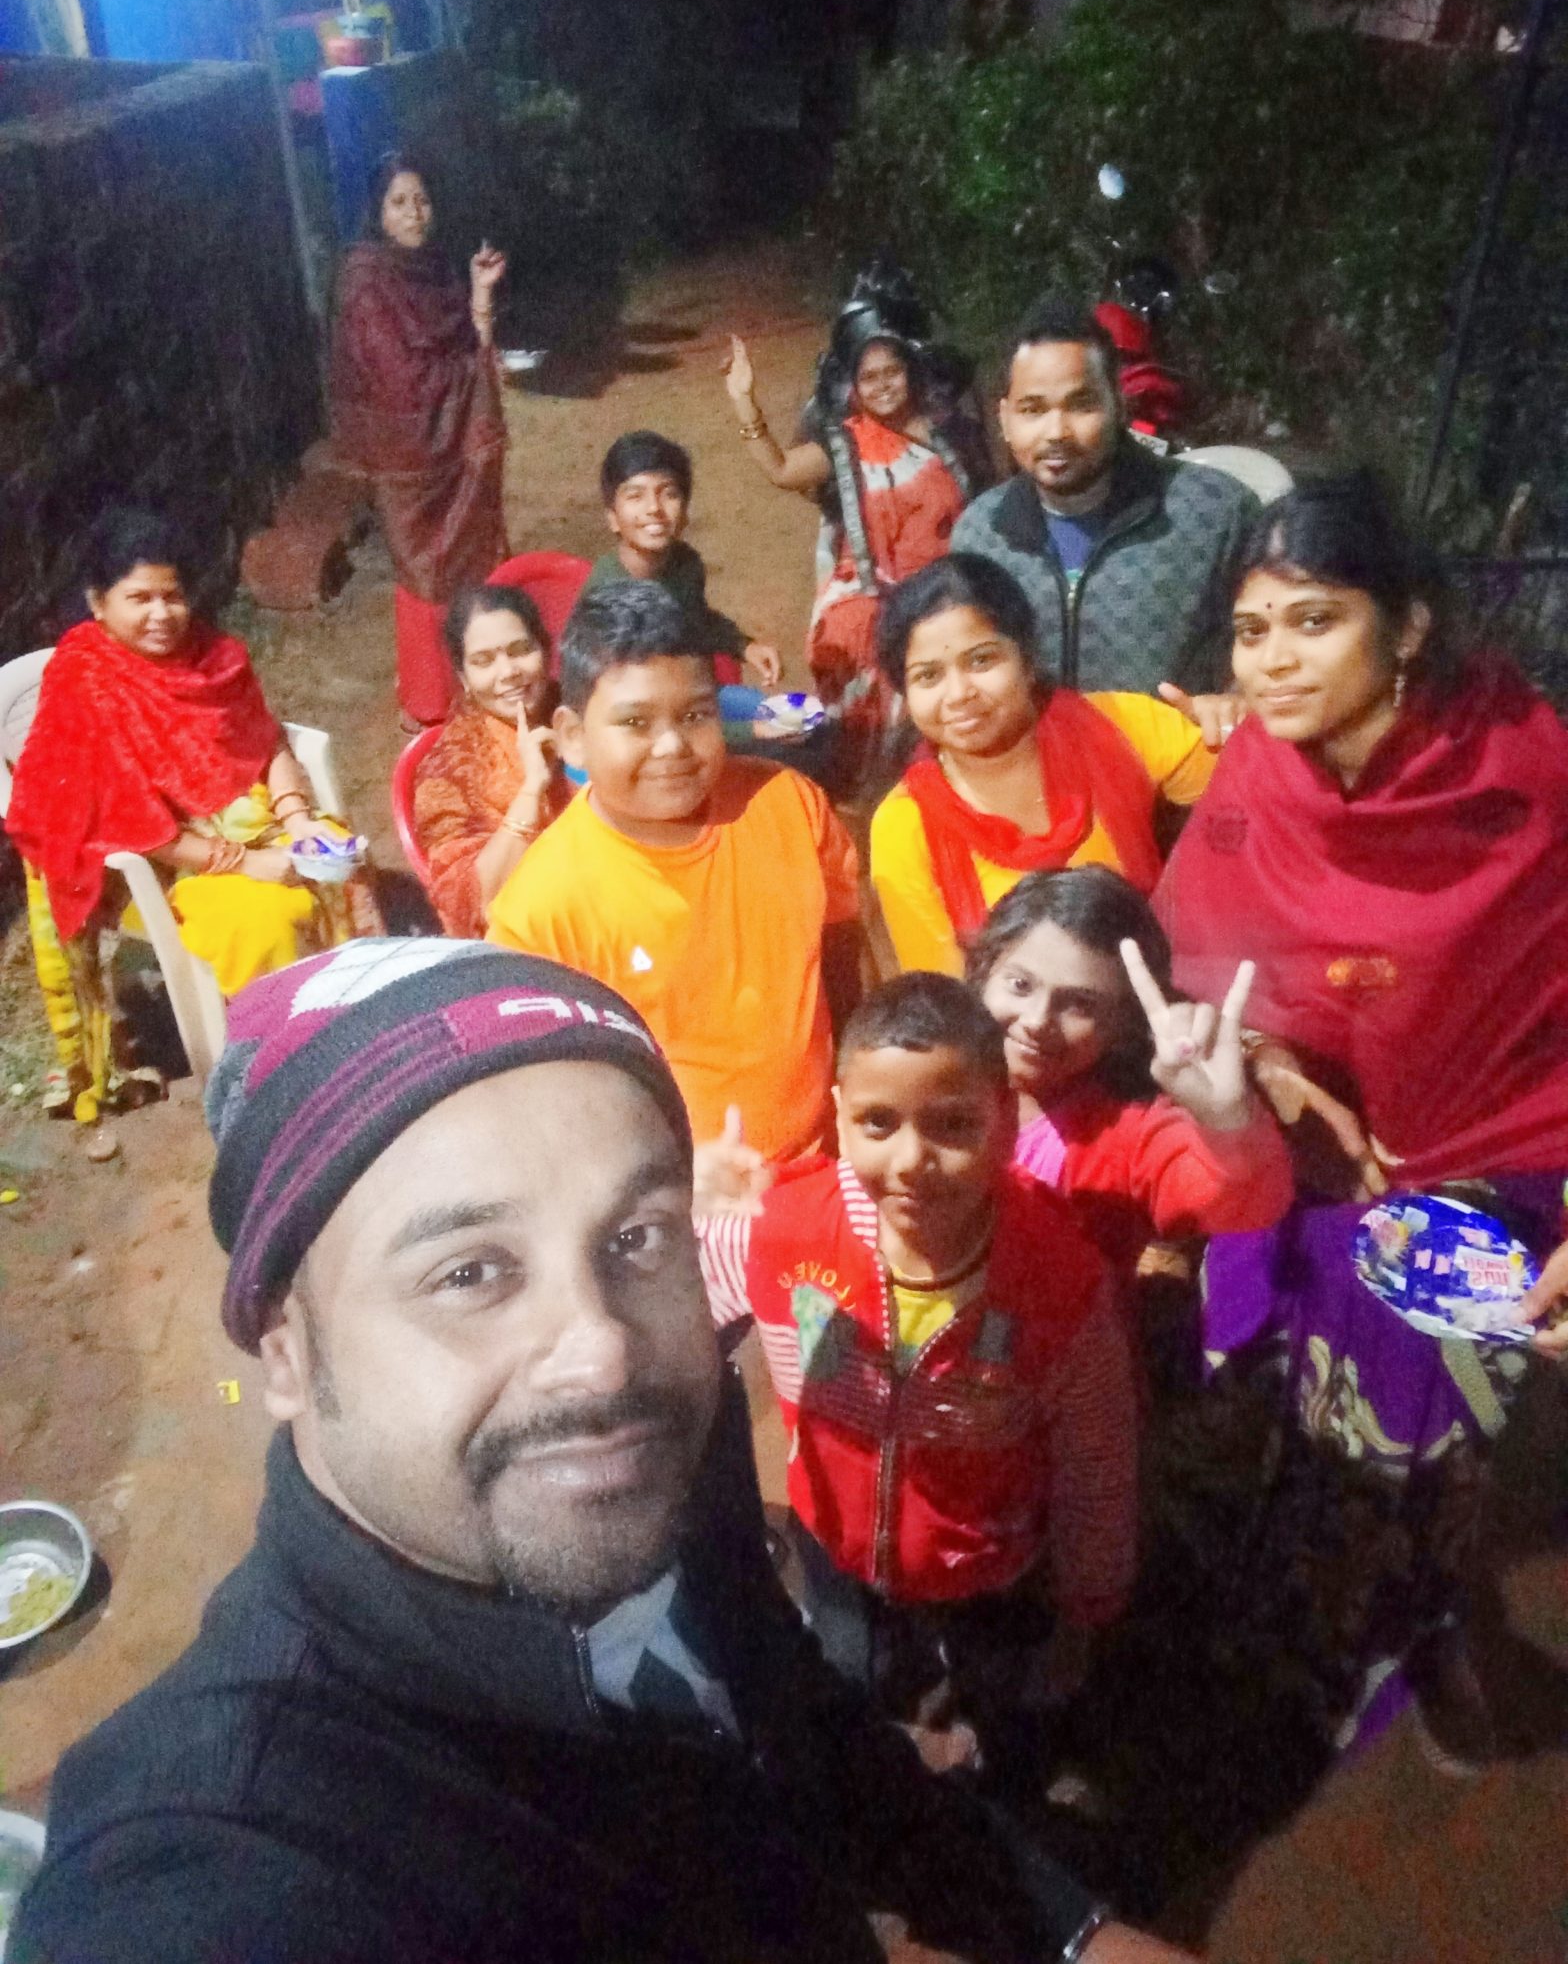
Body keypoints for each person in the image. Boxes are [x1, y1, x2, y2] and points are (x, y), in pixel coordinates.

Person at [13, 938, 1194, 1964]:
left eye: (637, 1239)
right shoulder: (234, 1840)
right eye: (469, 1271)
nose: (605, 1354)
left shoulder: (669, 1457)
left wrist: (1065, 1930)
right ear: (282, 1349)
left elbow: (788, 1709)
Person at [1156, 473, 1568, 1767]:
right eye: (1250, 630)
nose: (1272, 661)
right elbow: (1201, 968)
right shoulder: (1256, 779)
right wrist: (1276, 1073)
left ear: (1407, 628)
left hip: (1508, 1156)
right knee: (1262, 1367)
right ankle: (1324, 1623)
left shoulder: (1525, 777)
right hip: (1320, 1157)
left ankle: (1423, 1632)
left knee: (1422, 1422)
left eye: (1313, 621)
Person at [696, 972, 1137, 1800]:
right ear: (838, 1115)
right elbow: (675, 1291)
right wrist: (677, 1195)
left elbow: (1097, 1459)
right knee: (855, 1695)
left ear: (1005, 1118)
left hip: (989, 1570)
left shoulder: (1058, 1281)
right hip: (834, 1545)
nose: (911, 1163)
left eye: (952, 1124)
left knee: (1000, 1713)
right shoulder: (783, 1231)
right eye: (878, 1122)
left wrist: (1086, 1608)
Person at [4, 510, 379, 1136]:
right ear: (98, 604)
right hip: (158, 863)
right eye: (139, 599)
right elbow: (126, 820)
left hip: (240, 823)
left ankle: (358, 1027)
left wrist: (298, 819)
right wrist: (247, 862)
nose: (161, 615)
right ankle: (284, 1080)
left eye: (172, 595)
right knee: (261, 921)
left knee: (343, 862)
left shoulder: (215, 657)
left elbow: (264, 742)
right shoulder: (85, 681)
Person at [485, 581, 863, 1160]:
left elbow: (846, 961)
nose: (672, 746)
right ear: (573, 738)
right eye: (636, 723)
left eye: (694, 715)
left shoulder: (791, 805)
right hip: (679, 1194)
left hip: (827, 1160)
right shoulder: (540, 911)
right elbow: (547, 1105)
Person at [869, 555, 1217, 977]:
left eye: (981, 660)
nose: (959, 694)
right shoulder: (905, 826)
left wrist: (1241, 722)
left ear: (1028, 659)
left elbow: (1257, 797)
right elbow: (947, 999)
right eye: (928, 676)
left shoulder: (1122, 728)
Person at [965, 866, 1292, 1292]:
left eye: (1079, 1005)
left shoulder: (1129, 1134)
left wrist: (1227, 1123)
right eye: (1021, 985)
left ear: (1122, 1025)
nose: (1038, 1020)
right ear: (984, 969)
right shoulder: (934, 1068)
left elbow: (1242, 1206)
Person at [722, 264, 990, 783]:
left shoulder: (950, 434)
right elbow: (782, 470)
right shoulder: (846, 442)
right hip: (870, 594)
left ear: (911, 369)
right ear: (854, 385)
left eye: (892, 372)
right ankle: (872, 784)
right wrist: (744, 402)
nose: (883, 385)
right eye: (869, 377)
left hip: (946, 587)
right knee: (861, 638)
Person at [950, 296, 1256, 695]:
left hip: (1171, 738)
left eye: (1081, 405)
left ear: (1119, 404)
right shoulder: (979, 536)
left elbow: (1272, 652)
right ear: (1005, 419)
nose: (1056, 432)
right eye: (1032, 409)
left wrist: (1235, 701)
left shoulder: (1216, 514)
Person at [329, 150, 509, 730]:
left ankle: (475, 684)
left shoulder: (435, 269)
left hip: (455, 449)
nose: (414, 213)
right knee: (425, 571)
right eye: (399, 202)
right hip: (405, 456)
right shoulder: (365, 281)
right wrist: (475, 372)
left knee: (470, 560)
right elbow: (401, 381)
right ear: (377, 212)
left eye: (423, 200)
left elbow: (469, 342)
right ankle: (430, 702)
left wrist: (481, 292)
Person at [412, 585, 570, 937]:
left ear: (545, 651)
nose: (508, 672)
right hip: (528, 932)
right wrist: (532, 790)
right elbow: (473, 904)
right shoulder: (449, 769)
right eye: (484, 661)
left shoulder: (582, 711)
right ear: (464, 678)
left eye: (520, 650)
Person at [584, 430, 782, 697]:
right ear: (612, 518)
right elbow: (617, 695)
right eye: (635, 496)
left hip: (692, 696)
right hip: (641, 708)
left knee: (766, 707)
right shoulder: (609, 596)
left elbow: (696, 620)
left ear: (686, 511)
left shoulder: (686, 564)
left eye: (669, 494)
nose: (654, 508)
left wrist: (744, 646)